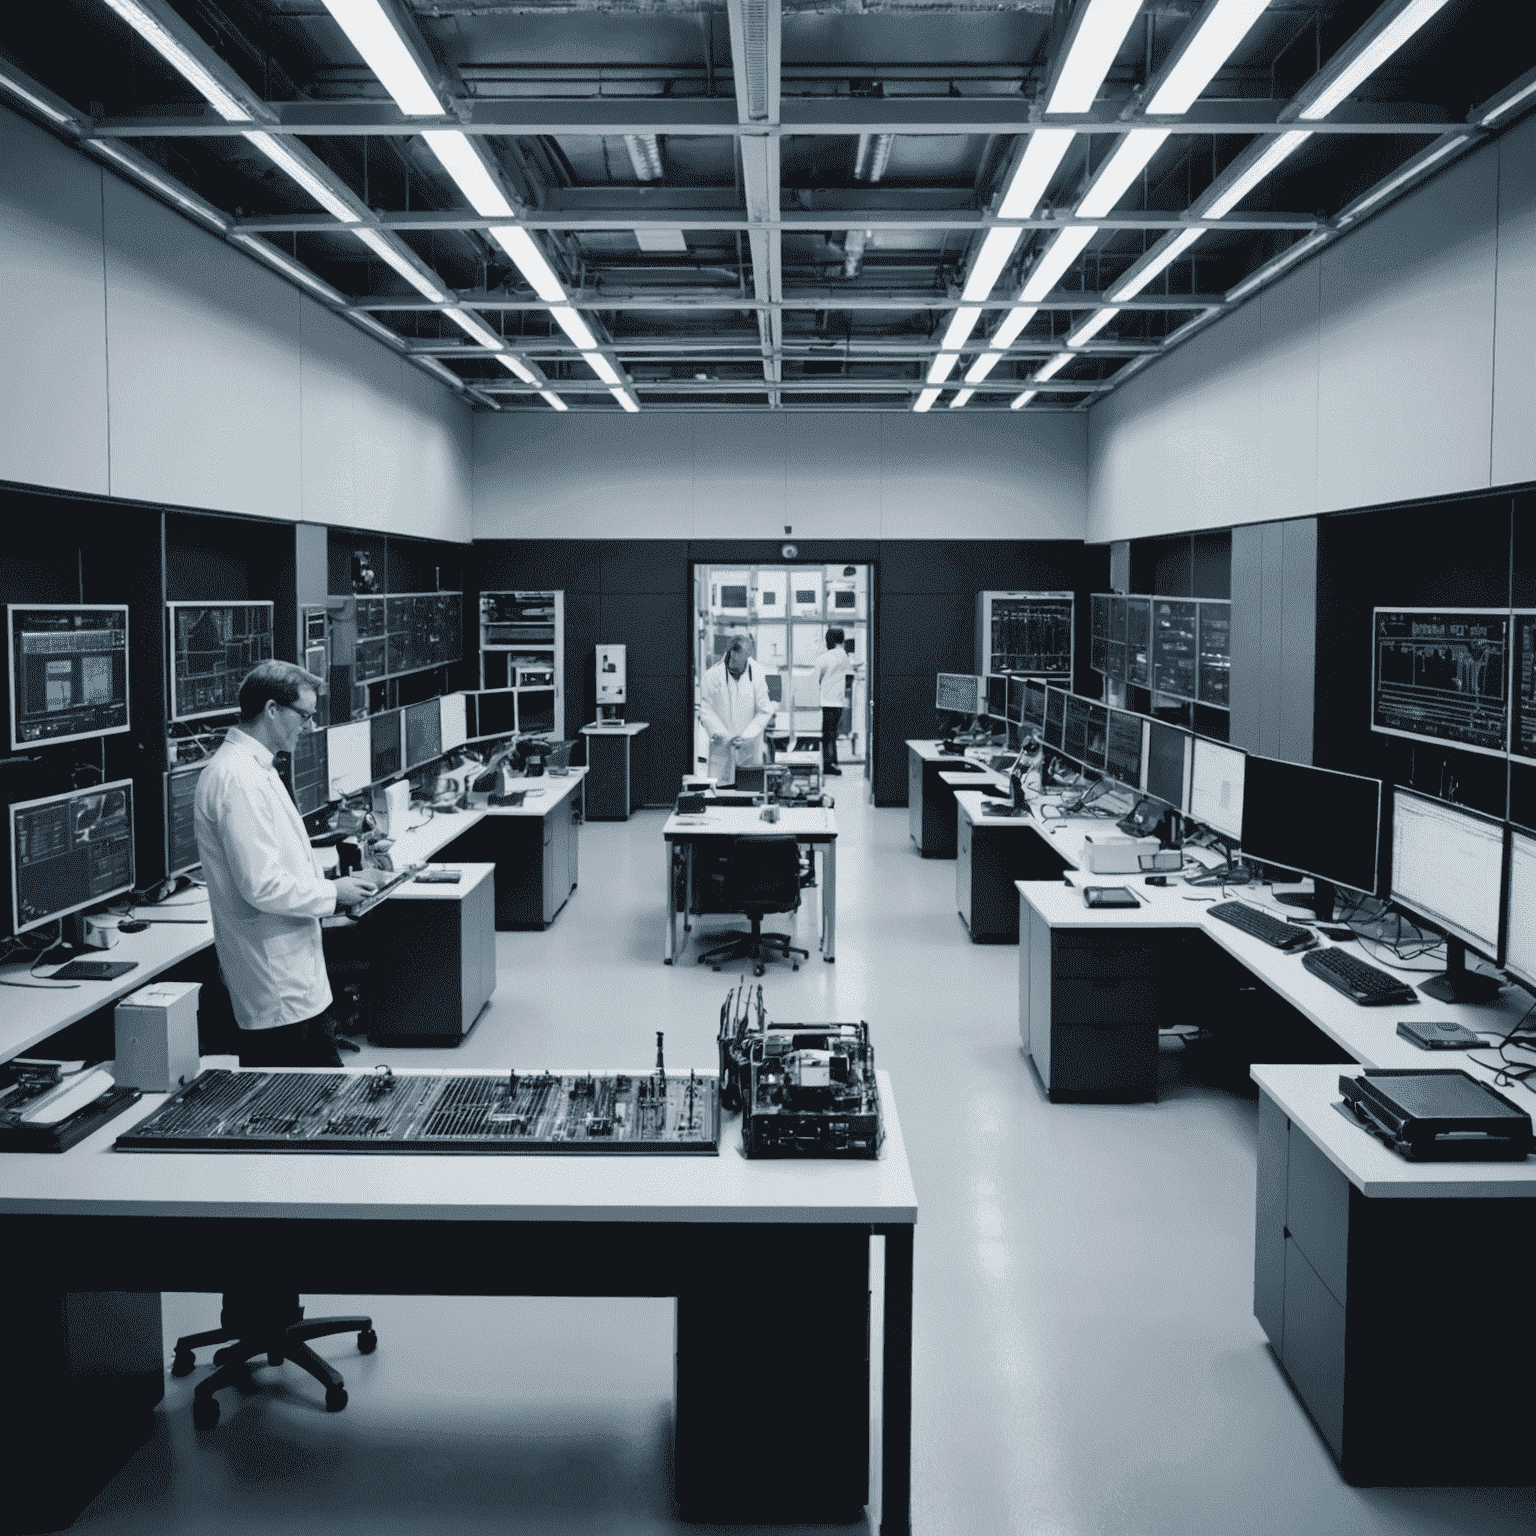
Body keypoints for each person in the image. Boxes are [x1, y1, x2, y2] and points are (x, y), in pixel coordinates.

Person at [194, 660, 384, 1067]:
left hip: (292, 975)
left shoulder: (255, 769)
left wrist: (338, 883)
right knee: (295, 1105)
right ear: (271, 710)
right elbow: (262, 885)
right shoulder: (237, 780)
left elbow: (277, 860)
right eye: (304, 715)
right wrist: (335, 892)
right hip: (275, 984)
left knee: (313, 1101)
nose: (310, 726)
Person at [699, 636, 773, 786]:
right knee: (720, 793)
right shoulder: (711, 675)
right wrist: (721, 734)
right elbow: (706, 710)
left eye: (744, 661)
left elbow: (765, 709)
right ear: (730, 653)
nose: (740, 667)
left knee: (749, 790)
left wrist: (746, 735)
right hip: (722, 745)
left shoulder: (759, 673)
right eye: (736, 661)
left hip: (749, 746)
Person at [815, 627, 854, 776]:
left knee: (828, 735)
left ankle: (829, 765)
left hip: (827, 701)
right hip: (838, 702)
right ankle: (832, 763)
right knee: (832, 734)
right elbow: (849, 677)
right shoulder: (844, 656)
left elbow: (815, 679)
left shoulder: (825, 657)